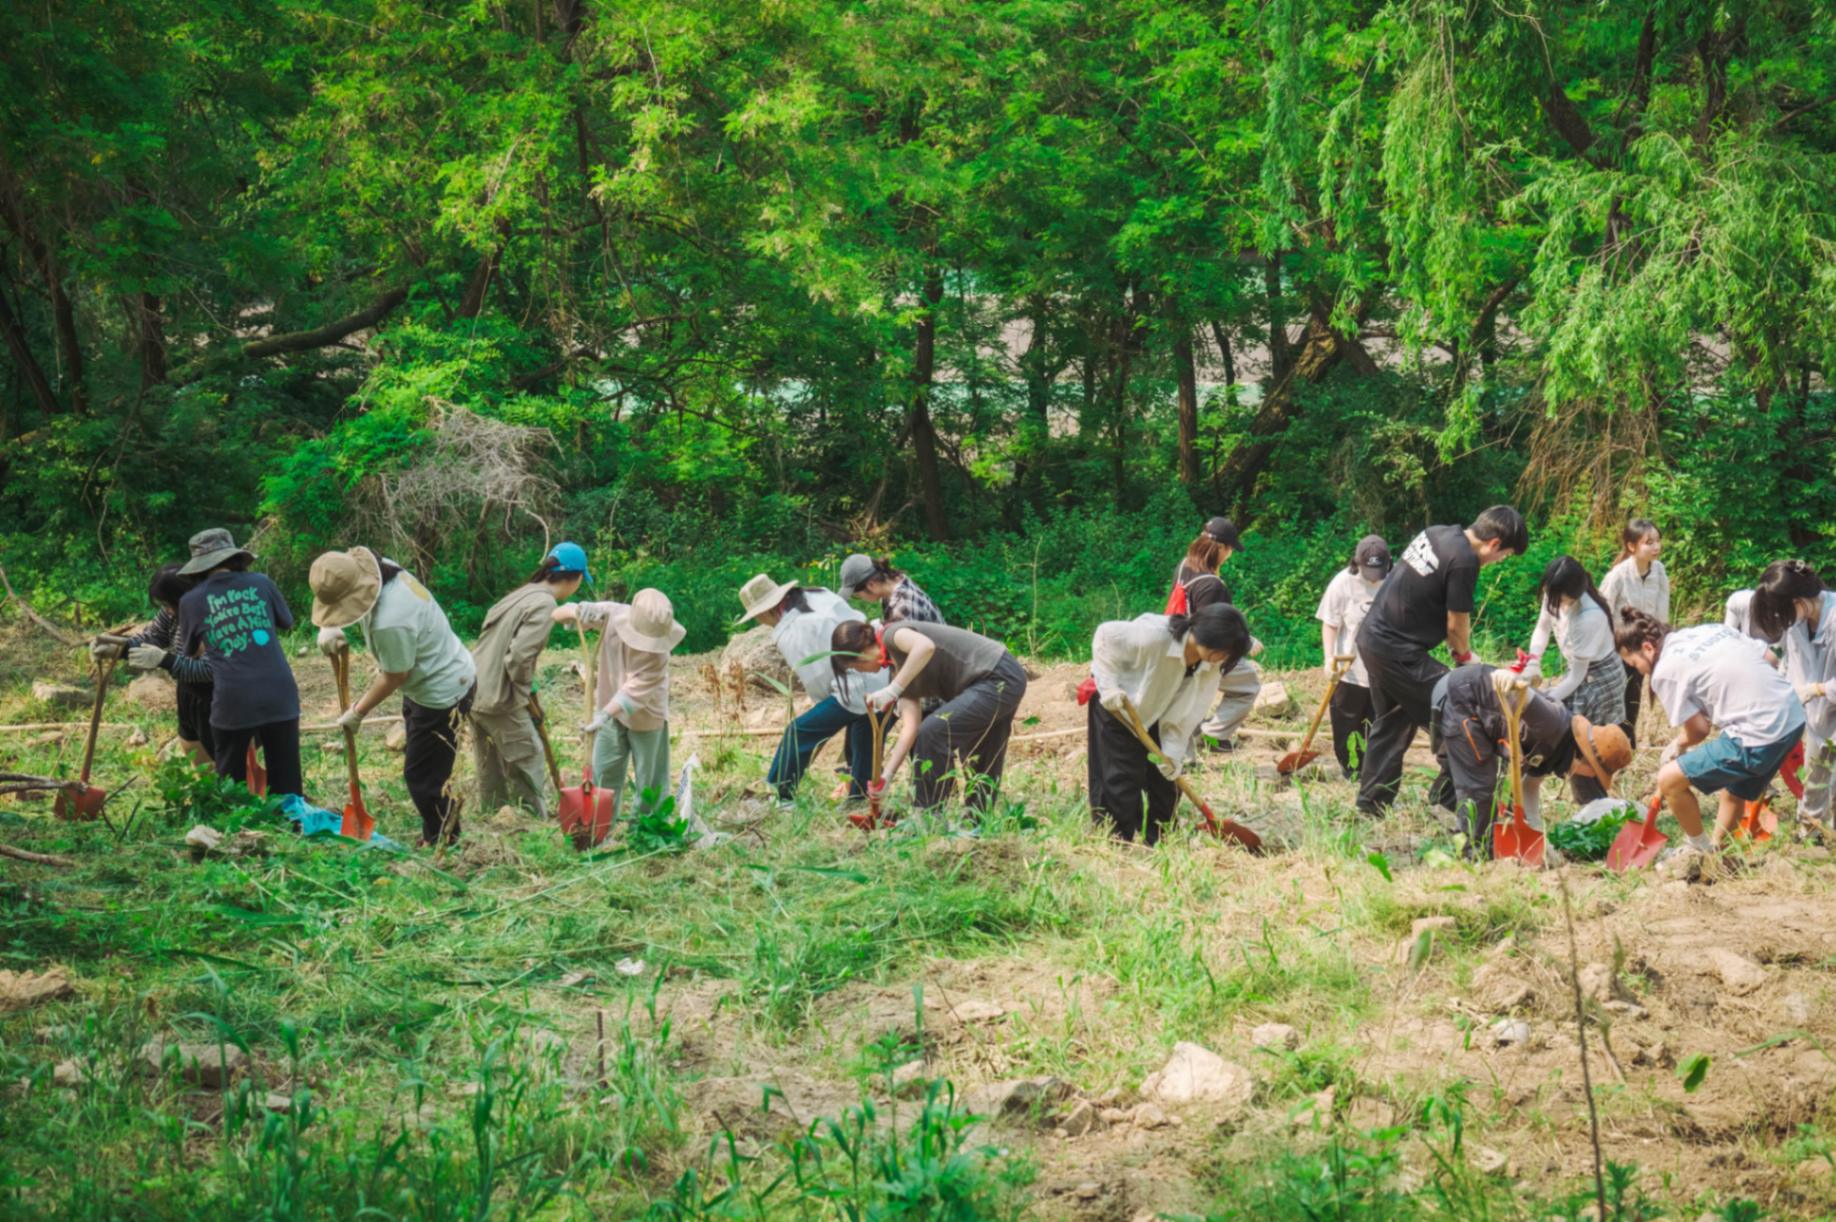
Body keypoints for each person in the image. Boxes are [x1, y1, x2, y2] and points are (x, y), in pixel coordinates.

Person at [1355, 506, 1529, 817]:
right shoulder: (1464, 561)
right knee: (1461, 710)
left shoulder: (1437, 533)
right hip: (1397, 650)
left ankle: (1371, 805)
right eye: (1504, 555)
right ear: (1494, 544)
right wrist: (1465, 660)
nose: (1498, 561)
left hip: (1372, 638)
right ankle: (1451, 798)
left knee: (1395, 718)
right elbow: (1455, 625)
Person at [312, 547, 478, 846]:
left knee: (422, 778)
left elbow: (395, 675)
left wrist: (358, 712)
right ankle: (437, 830)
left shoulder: (391, 620)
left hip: (442, 691)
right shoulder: (378, 568)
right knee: (426, 764)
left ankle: (445, 840)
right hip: (429, 679)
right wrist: (330, 625)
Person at [130, 528, 304, 799]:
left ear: (198, 568)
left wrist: (162, 659)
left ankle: (239, 834)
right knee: (289, 788)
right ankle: (294, 830)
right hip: (281, 694)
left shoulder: (191, 600)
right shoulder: (262, 582)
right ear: (235, 557)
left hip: (233, 700)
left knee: (232, 790)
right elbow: (287, 623)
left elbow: (188, 653)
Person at [1616, 610, 1805, 852]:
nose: (1639, 671)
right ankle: (1716, 853)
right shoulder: (1708, 630)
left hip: (1760, 731)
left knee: (1668, 780)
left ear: (1648, 648)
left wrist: (1679, 744)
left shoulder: (1665, 671)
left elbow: (1699, 730)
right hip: (1792, 716)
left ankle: (1697, 848)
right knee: (1734, 790)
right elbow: (1768, 657)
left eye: (1634, 663)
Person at [1087, 605, 1251, 845]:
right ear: (1207, 637)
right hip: (1120, 705)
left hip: (1160, 711)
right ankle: (1116, 841)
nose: (1223, 658)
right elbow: (1105, 636)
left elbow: (1189, 713)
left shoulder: (1210, 667)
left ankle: (1160, 840)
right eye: (1223, 651)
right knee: (1120, 776)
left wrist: (1173, 752)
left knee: (1166, 783)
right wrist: (1109, 686)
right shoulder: (1154, 636)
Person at [1430, 664, 1632, 857]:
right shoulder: (1553, 724)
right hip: (1462, 696)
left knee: (1479, 780)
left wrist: (1536, 833)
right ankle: (1476, 854)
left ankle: (1442, 810)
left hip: (1474, 708)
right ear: (1585, 759)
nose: (1591, 778)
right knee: (1480, 786)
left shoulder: (1558, 752)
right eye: (1596, 773)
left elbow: (1530, 786)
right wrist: (1512, 679)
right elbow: (1526, 697)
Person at [831, 620, 1027, 816]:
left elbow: (925, 646)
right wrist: (887, 776)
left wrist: (893, 690)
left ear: (861, 653)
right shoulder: (897, 672)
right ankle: (978, 819)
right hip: (997, 679)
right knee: (982, 748)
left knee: (933, 731)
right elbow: (911, 728)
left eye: (853, 666)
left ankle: (926, 816)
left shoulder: (892, 634)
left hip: (997, 675)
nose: (858, 671)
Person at [736, 573, 890, 806]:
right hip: (880, 668)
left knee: (800, 732)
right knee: (864, 734)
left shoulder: (793, 631)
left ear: (764, 612)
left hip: (856, 681)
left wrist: (820, 719)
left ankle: (780, 795)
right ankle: (860, 797)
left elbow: (819, 680)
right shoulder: (819, 595)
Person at [469, 544, 588, 820]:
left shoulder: (522, 594)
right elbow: (520, 657)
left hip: (472, 688)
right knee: (528, 755)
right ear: (576, 577)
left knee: (490, 760)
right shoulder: (544, 604)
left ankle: (494, 816)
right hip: (499, 696)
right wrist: (523, 695)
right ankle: (533, 820)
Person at [554, 588, 684, 823]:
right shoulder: (611, 615)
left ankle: (646, 828)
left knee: (650, 780)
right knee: (604, 770)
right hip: (608, 706)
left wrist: (603, 716)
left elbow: (633, 692)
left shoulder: (660, 655)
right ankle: (600, 827)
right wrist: (578, 611)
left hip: (646, 714)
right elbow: (558, 613)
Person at [95, 564, 213, 766]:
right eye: (164, 605)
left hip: (214, 696)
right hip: (187, 691)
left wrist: (165, 660)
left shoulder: (212, 615)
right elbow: (153, 636)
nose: (167, 610)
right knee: (198, 760)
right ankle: (207, 793)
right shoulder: (171, 613)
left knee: (221, 764)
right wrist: (117, 649)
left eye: (170, 604)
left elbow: (211, 670)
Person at [1752, 561, 1836, 831]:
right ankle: (1811, 832)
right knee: (1816, 779)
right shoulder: (1797, 622)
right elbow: (1787, 658)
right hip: (1818, 717)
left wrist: (1818, 689)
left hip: (1827, 704)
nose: (1783, 620)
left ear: (1799, 601)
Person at [1165, 516, 1263, 749]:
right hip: (1205, 651)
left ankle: (1187, 750)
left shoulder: (1185, 565)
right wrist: (1246, 643)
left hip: (1178, 642)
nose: (1230, 555)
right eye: (1230, 549)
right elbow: (1215, 627)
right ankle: (1211, 735)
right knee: (1247, 686)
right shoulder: (1211, 585)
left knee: (1185, 700)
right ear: (1221, 547)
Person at [1518, 555, 1627, 733]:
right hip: (1577, 670)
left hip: (1599, 677)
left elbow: (1577, 677)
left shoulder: (1589, 616)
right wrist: (1533, 661)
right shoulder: (1555, 591)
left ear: (1575, 595)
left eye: (1560, 601)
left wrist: (1540, 701)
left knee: (1590, 739)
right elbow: (1543, 627)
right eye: (1550, 595)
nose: (1553, 603)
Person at [1314, 535, 1390, 777]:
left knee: (1379, 723)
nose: (1374, 575)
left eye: (1379, 569)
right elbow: (1330, 623)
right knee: (1347, 723)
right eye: (1369, 569)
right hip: (1350, 670)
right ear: (1357, 563)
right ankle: (1351, 769)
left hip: (1386, 671)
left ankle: (1374, 771)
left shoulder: (1398, 580)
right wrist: (1329, 658)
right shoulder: (1343, 583)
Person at [1599, 519, 1668, 746]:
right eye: (1649, 542)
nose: (1656, 547)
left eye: (1658, 541)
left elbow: (1662, 611)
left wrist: (1659, 644)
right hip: (1618, 647)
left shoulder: (1659, 571)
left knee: (1633, 696)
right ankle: (1608, 744)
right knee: (1614, 697)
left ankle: (1629, 745)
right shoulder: (1618, 575)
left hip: (1644, 648)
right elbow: (1603, 612)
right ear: (1631, 546)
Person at [837, 554, 944, 626]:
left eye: (857, 595)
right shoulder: (895, 582)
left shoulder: (904, 607)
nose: (859, 599)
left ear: (871, 585)